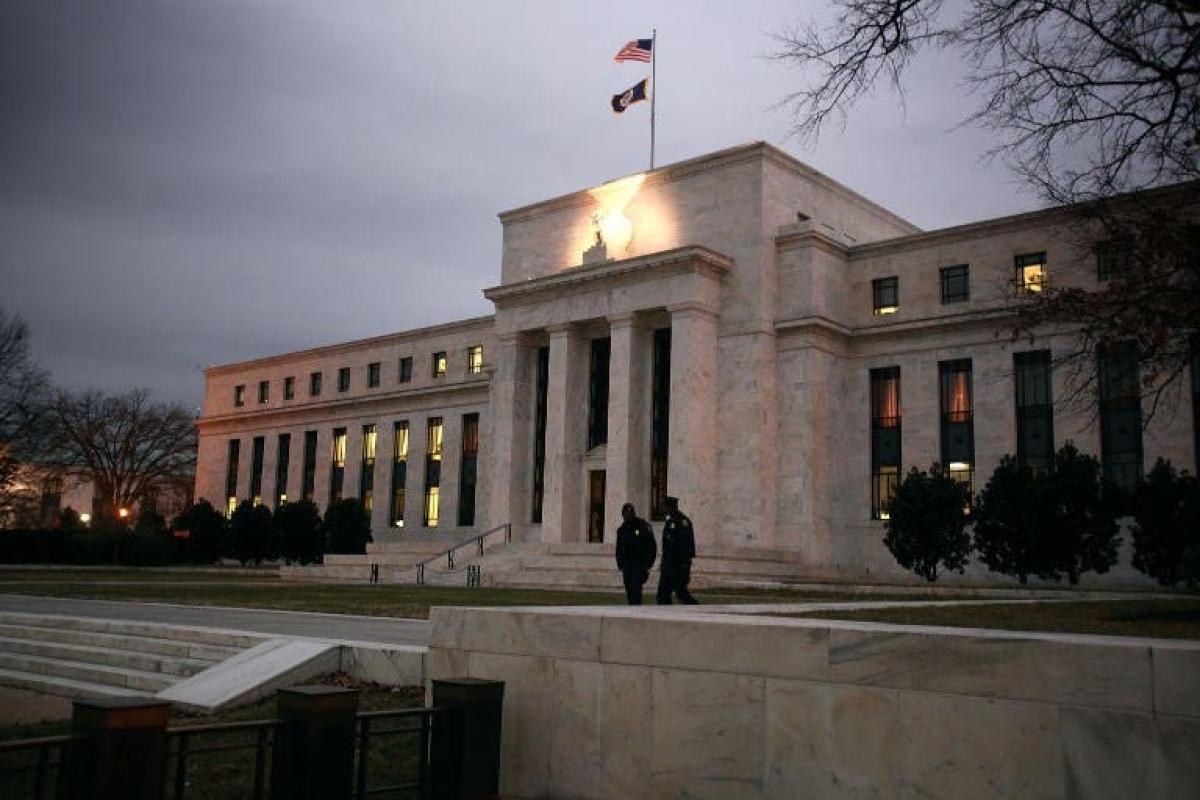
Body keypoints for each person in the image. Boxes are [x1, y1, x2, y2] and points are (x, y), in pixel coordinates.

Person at [656, 496, 698, 605]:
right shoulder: (670, 521)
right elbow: (667, 545)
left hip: (679, 565)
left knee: (680, 591)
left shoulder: (683, 522)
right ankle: (667, 612)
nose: (663, 509)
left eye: (665, 506)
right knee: (663, 594)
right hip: (669, 564)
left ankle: (696, 608)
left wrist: (684, 564)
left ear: (671, 507)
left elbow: (686, 545)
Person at [615, 502, 656, 605]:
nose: (627, 516)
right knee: (629, 592)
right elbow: (619, 549)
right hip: (627, 567)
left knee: (636, 592)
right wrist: (620, 564)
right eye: (625, 513)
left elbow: (651, 547)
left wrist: (648, 565)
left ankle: (637, 610)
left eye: (629, 513)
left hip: (639, 565)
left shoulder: (643, 526)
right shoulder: (621, 530)